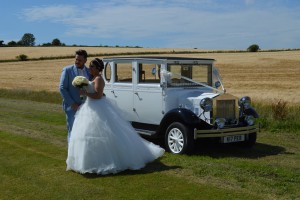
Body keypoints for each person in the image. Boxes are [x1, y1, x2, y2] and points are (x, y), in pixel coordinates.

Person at [66, 58, 165, 175]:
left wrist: (85, 93)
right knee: (86, 134)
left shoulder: (98, 79)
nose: (90, 68)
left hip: (98, 107)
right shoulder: (93, 78)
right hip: (90, 106)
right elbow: (100, 93)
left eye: (92, 66)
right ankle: (86, 163)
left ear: (98, 68)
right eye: (90, 66)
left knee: (103, 133)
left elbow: (97, 95)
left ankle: (104, 162)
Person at [59, 49, 92, 143]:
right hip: (72, 108)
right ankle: (72, 156)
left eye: (80, 60)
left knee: (85, 132)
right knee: (73, 132)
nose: (77, 61)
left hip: (87, 107)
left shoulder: (89, 71)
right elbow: (62, 88)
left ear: (85, 60)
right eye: (76, 59)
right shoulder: (67, 70)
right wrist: (72, 104)